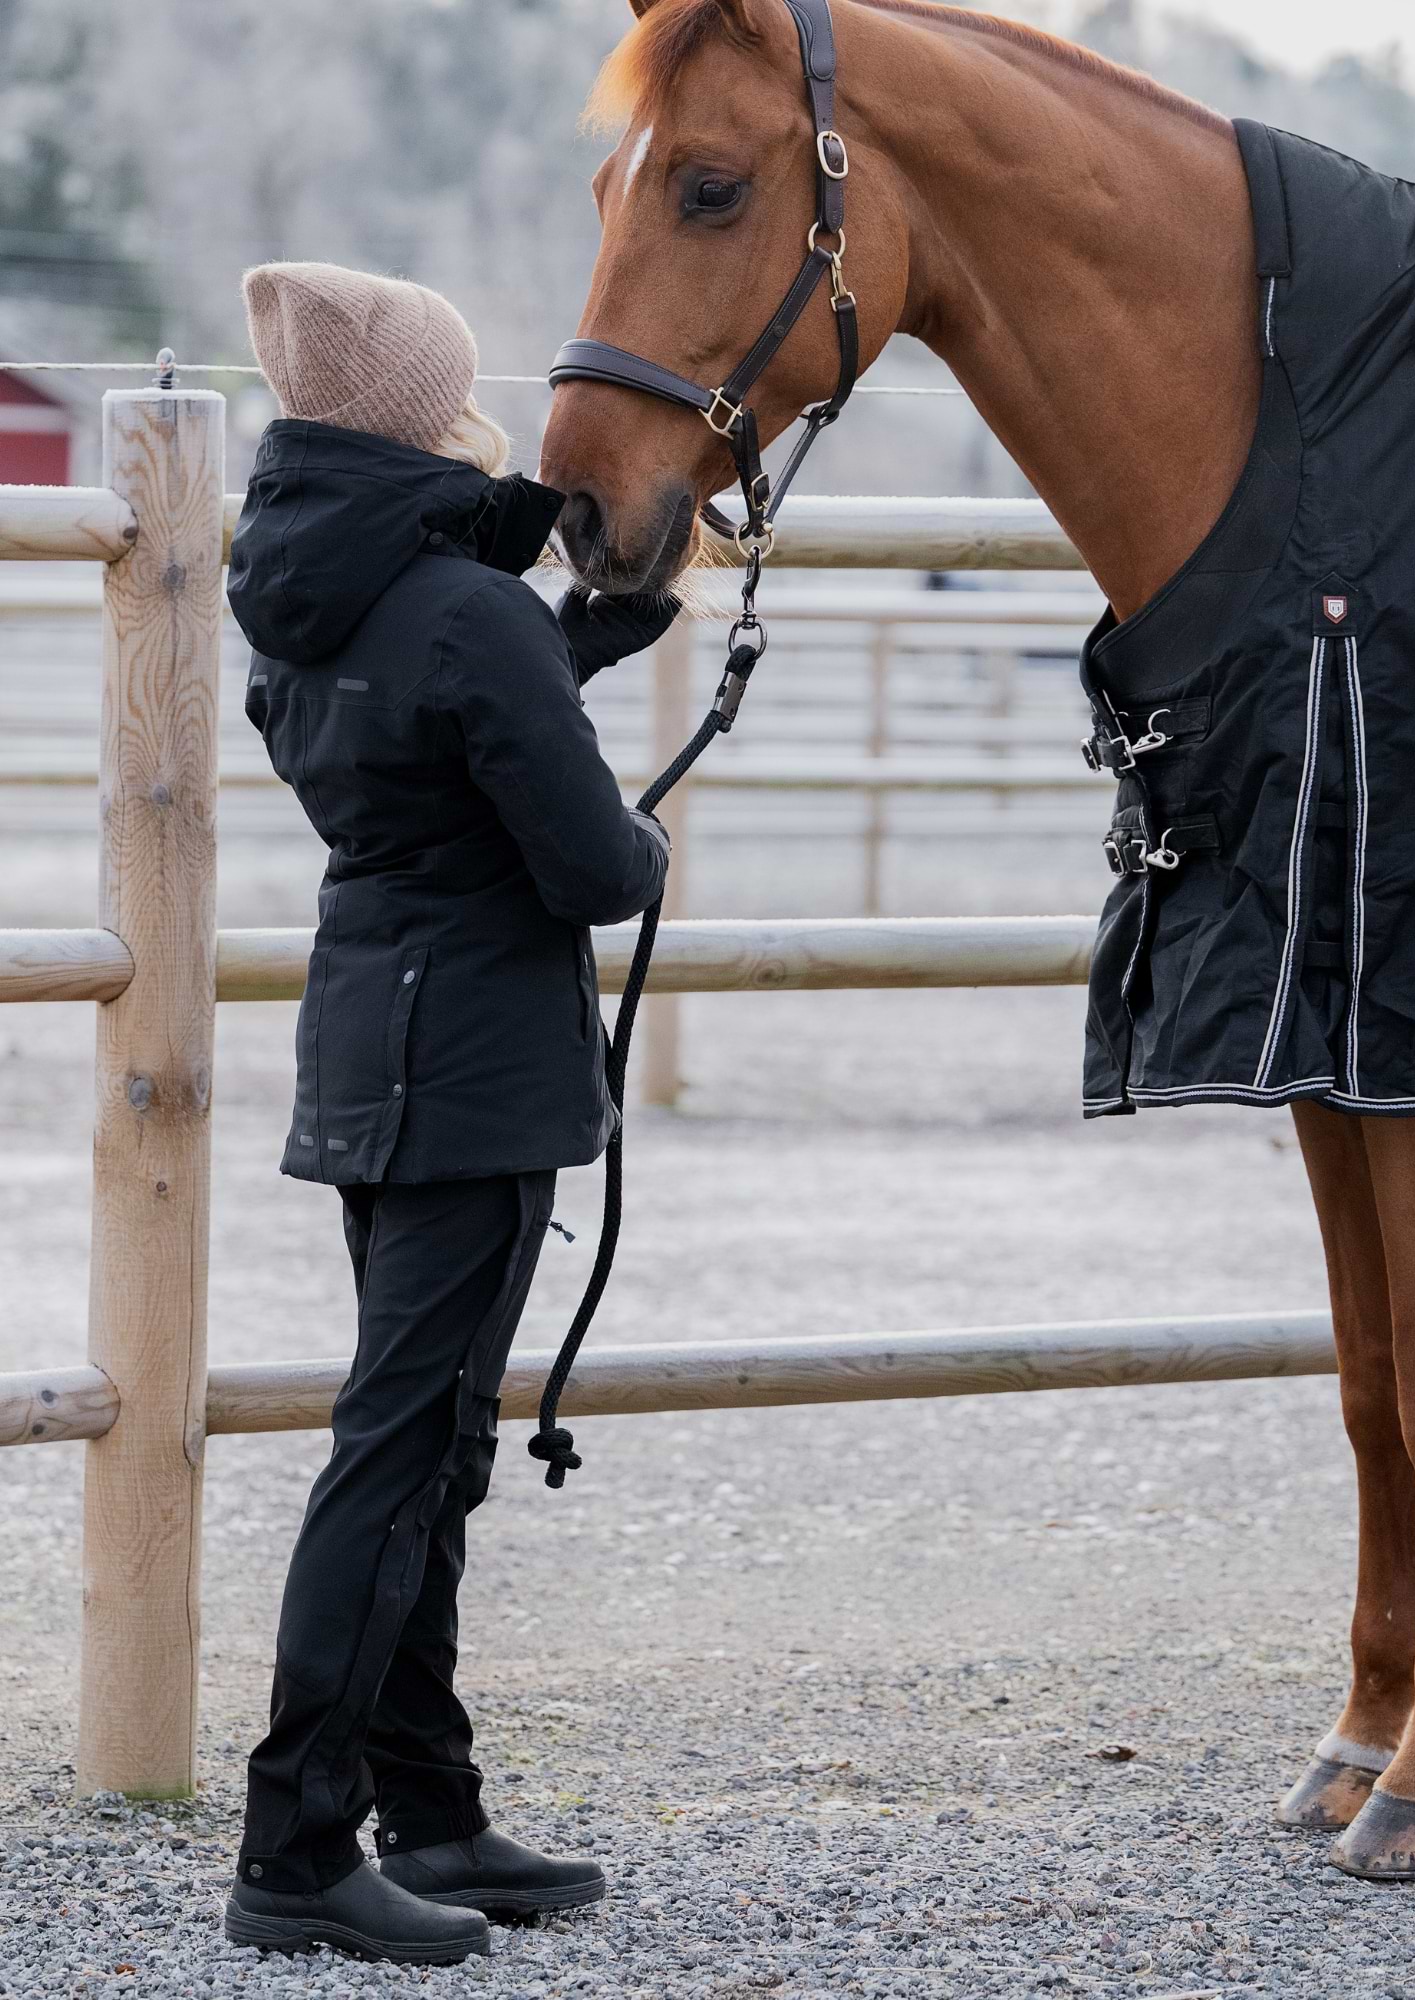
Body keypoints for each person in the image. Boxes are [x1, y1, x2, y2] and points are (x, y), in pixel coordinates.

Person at [220, 261, 675, 1965]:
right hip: (477, 1070)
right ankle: (297, 1844)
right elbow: (589, 863)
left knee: (423, 1446)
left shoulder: (300, 595)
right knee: (401, 1455)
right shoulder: (466, 618)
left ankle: (431, 1809)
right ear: (426, 412)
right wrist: (632, 818)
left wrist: (561, 656)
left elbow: (418, 734)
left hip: (370, 1053)